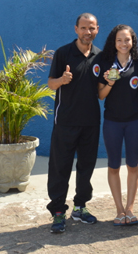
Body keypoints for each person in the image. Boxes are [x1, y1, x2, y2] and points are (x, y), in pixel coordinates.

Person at [46, 13, 102, 234]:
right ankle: (58, 212)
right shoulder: (63, 53)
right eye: (84, 28)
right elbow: (51, 84)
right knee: (60, 168)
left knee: (86, 167)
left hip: (91, 122)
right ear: (76, 29)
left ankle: (80, 207)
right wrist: (62, 80)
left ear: (97, 29)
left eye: (92, 28)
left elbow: (101, 91)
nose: (88, 32)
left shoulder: (100, 56)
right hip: (66, 121)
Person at [97, 24, 138, 226]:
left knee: (133, 165)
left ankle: (130, 209)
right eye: (119, 40)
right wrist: (110, 82)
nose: (123, 43)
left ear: (132, 41)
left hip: (135, 122)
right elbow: (100, 96)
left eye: (127, 39)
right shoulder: (106, 64)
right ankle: (118, 210)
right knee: (114, 166)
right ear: (114, 42)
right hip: (112, 123)